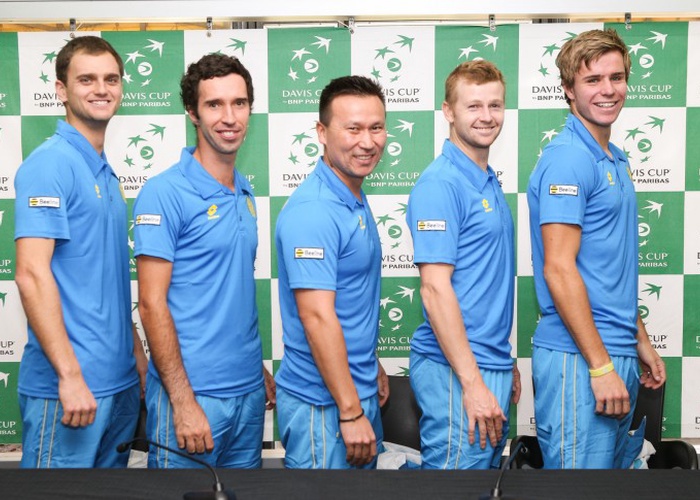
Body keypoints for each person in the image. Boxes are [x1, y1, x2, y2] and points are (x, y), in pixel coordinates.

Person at [527, 29, 666, 469]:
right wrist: (601, 365)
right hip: (581, 359)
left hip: (611, 348)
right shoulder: (569, 158)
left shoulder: (615, 157)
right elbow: (559, 269)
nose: (608, 90)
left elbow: (608, 267)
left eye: (616, 77)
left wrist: (639, 340)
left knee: (607, 488)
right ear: (568, 89)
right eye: (592, 80)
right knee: (578, 489)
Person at [133, 54, 274, 469]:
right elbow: (151, 304)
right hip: (193, 398)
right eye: (214, 104)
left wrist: (256, 368)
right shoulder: (164, 192)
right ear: (192, 113)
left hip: (248, 394)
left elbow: (227, 291)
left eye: (239, 103)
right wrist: (182, 401)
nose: (229, 117)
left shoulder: (243, 190)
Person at [14, 36, 147, 468]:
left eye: (111, 79)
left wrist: (136, 351)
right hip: (69, 391)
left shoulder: (105, 172)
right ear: (60, 90)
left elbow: (100, 276)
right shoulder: (50, 164)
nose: (101, 89)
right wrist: (70, 376)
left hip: (118, 384)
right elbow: (30, 274)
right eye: (86, 79)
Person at [405, 60, 520, 469]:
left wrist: (502, 363)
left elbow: (483, 279)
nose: (486, 116)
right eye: (473, 106)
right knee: (455, 485)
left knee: (481, 486)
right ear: (448, 112)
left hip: (487, 363)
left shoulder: (484, 177)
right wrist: (472, 383)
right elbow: (435, 290)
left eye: (495, 105)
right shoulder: (441, 184)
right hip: (455, 372)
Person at [274, 75, 390, 469]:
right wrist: (351, 411)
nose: (367, 142)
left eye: (376, 128)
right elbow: (317, 317)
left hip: (352, 392)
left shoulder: (351, 193)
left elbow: (349, 297)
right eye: (353, 129)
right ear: (322, 133)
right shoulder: (315, 210)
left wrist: (369, 366)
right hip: (323, 405)